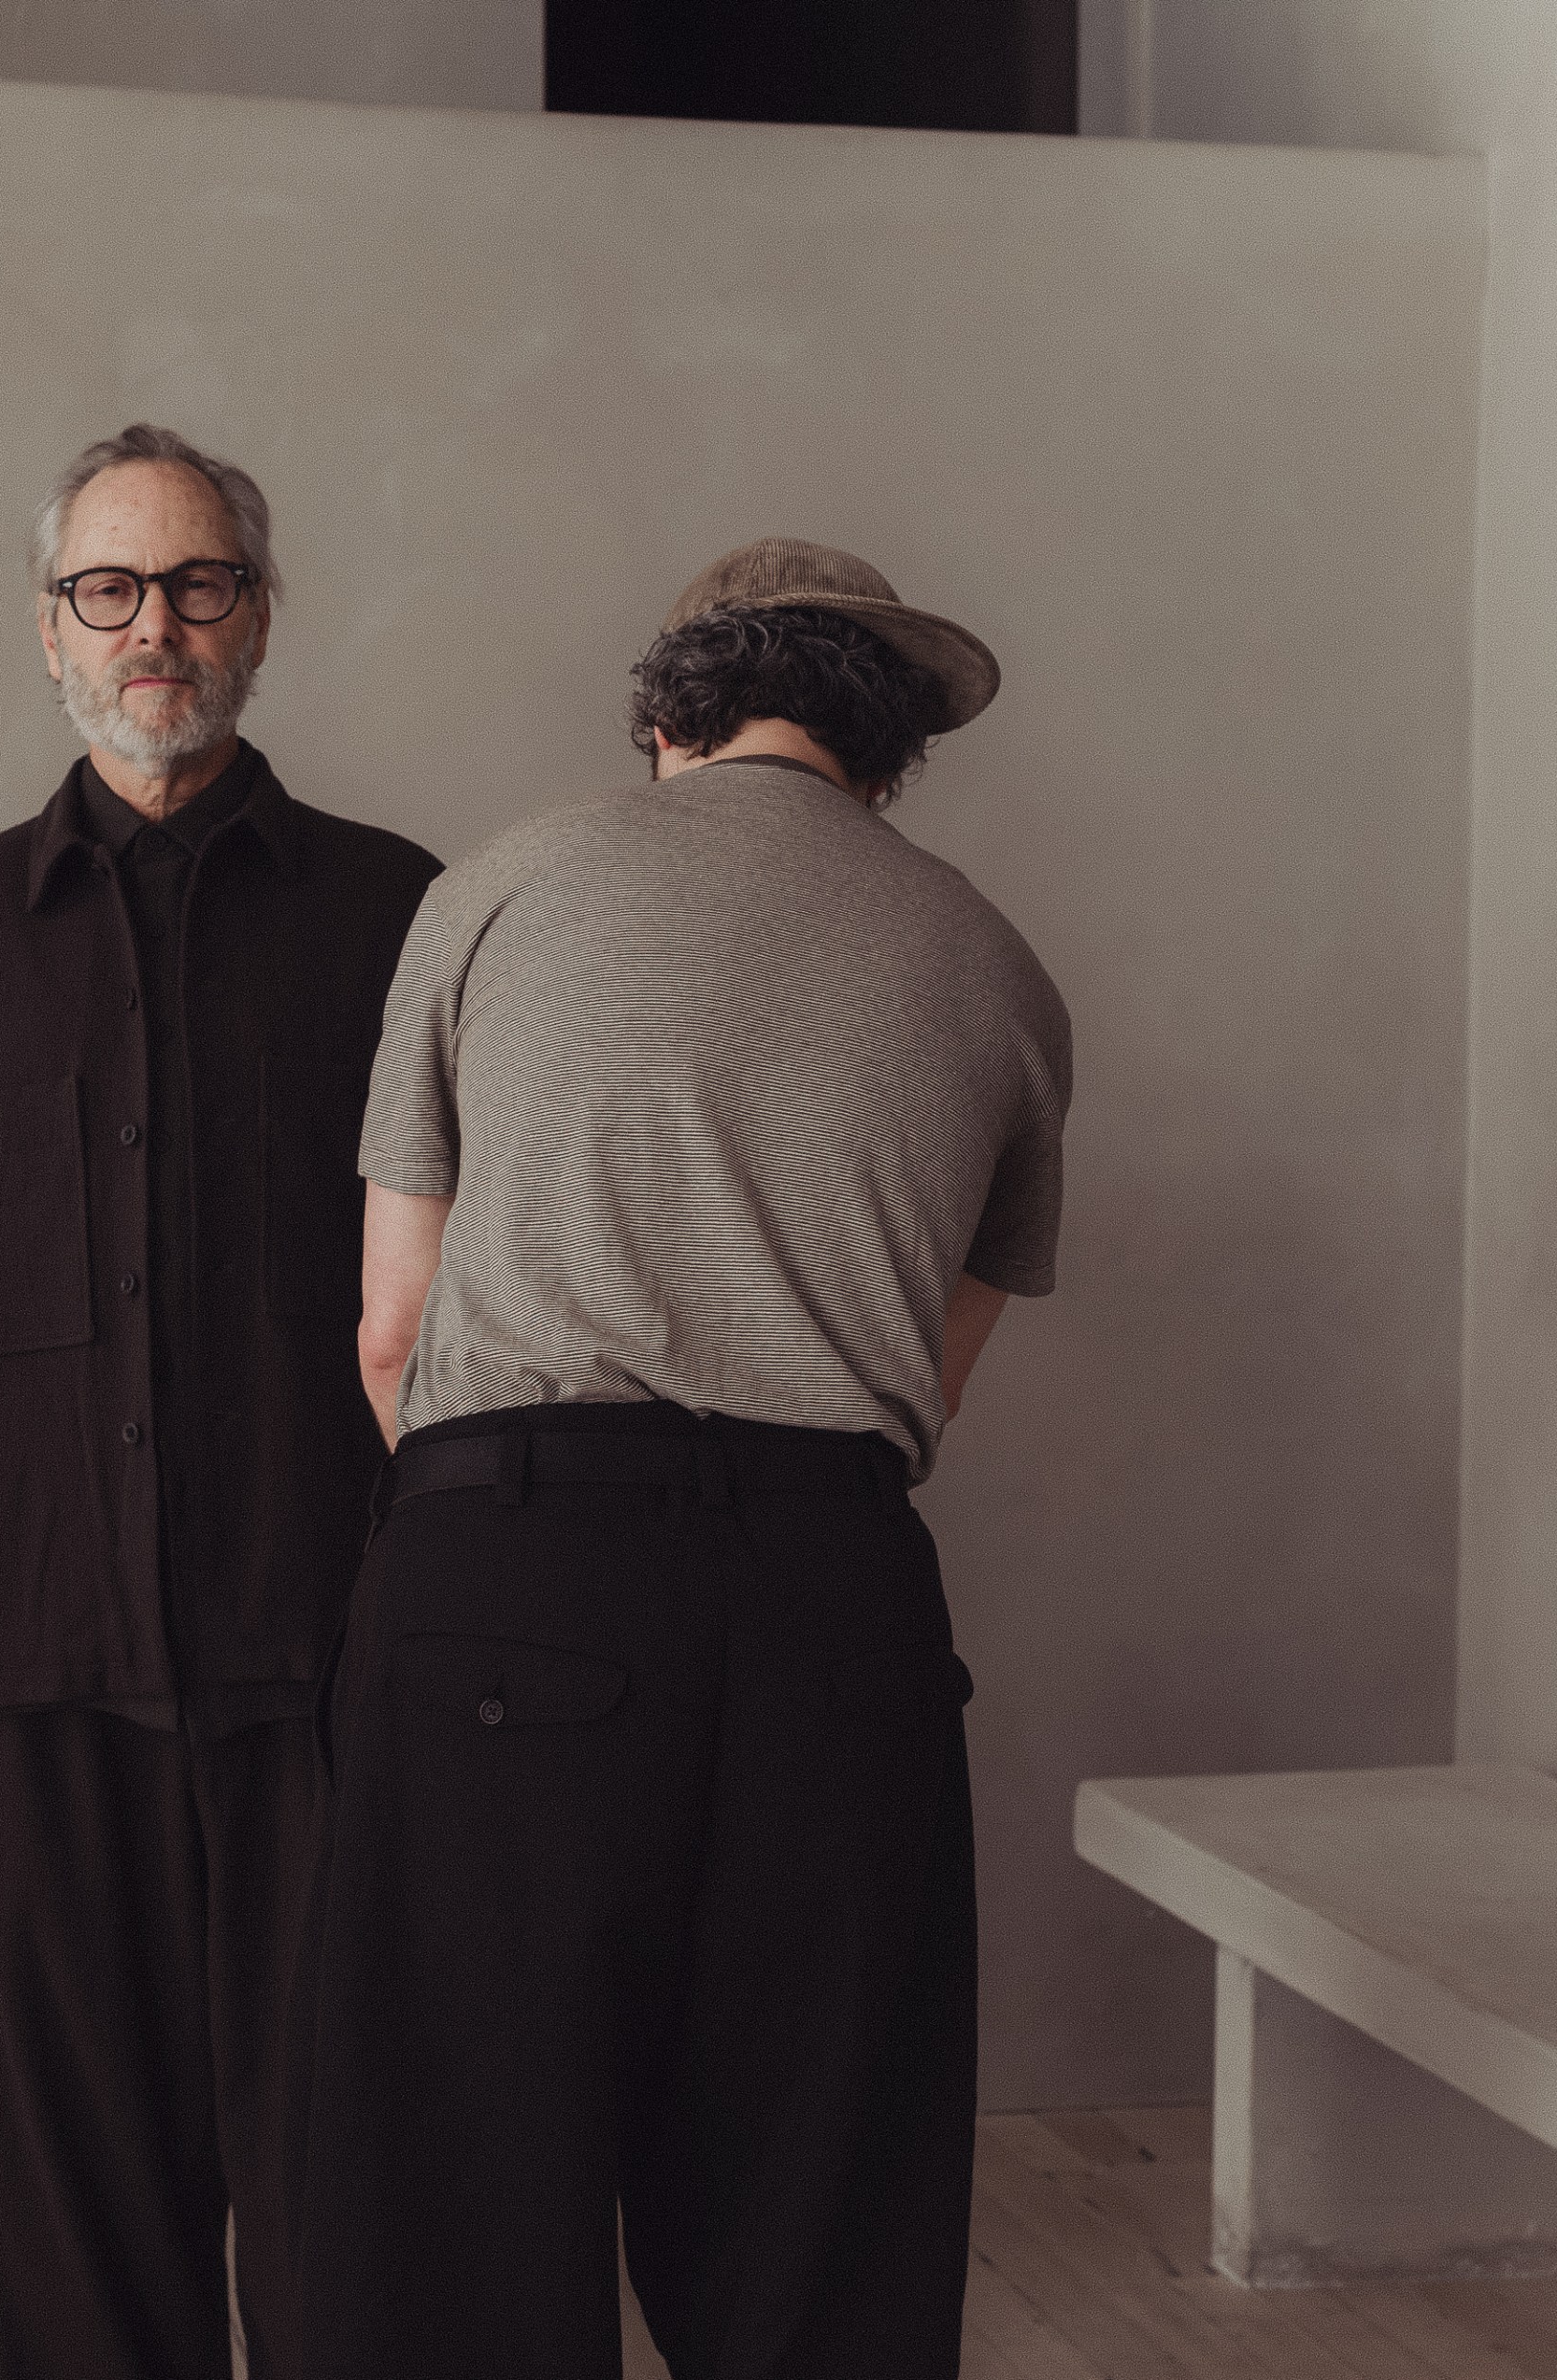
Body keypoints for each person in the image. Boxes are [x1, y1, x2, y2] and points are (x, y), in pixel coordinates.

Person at [290, 538, 1072, 2378]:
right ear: (886, 752)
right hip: (838, 1593)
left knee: (454, 2206)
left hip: (512, 1567)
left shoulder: (505, 883)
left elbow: (391, 1332)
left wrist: (528, 1533)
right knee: (826, 2212)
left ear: (666, 717)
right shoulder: (998, 964)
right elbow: (929, 1378)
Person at [0, 424, 437, 2380]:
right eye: (111, 591)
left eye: (200, 584)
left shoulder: (402, 920)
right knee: (69, 2219)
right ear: (49, 631)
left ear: (263, 621)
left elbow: (488, 1304)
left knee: (351, 2199)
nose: (159, 628)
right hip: (41, 1671)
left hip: (329, 1666)